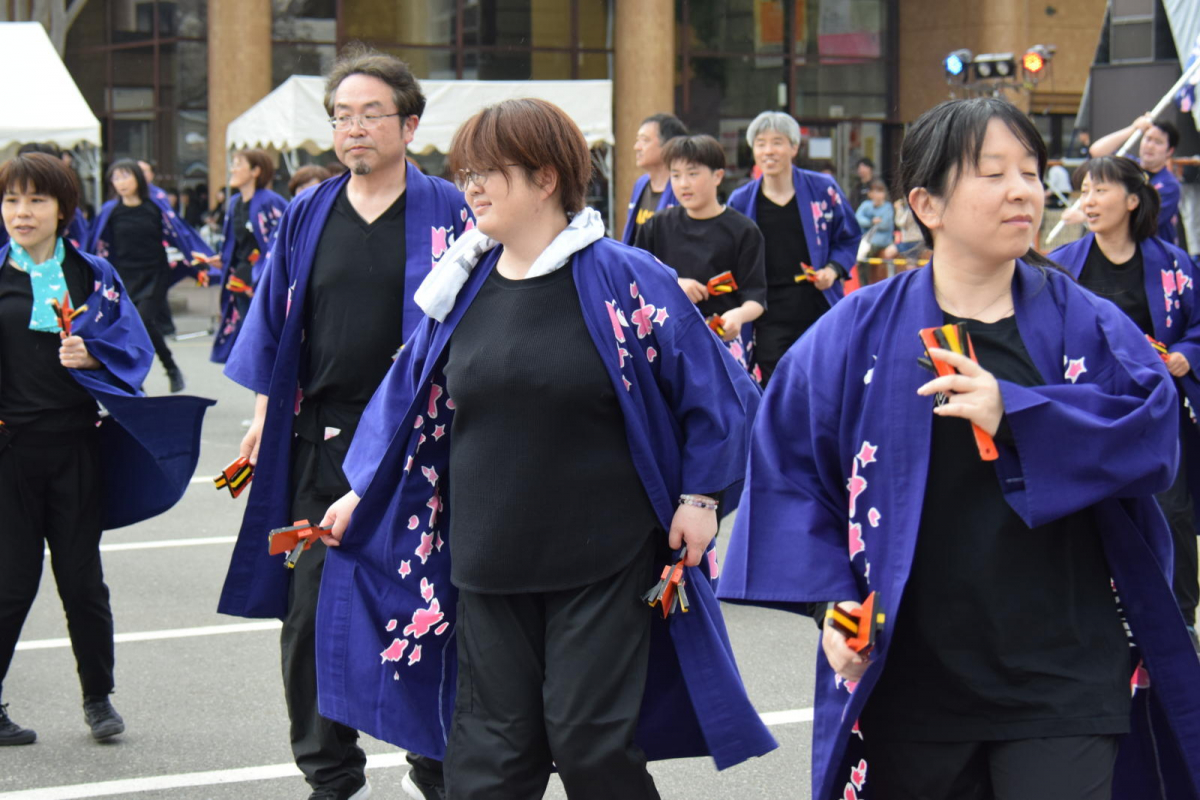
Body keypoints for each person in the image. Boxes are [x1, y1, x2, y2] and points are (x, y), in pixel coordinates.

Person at [719, 97, 1200, 799]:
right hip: (913, 678)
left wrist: (1021, 413)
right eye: (992, 172)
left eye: (1033, 172)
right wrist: (834, 609)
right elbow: (790, 468)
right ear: (928, 203)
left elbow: (1154, 434)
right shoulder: (857, 332)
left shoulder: (1085, 323)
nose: (1023, 191)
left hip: (1064, 673)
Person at [312, 96, 775, 800]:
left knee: (590, 743)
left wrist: (701, 496)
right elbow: (412, 403)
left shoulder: (625, 277)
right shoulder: (461, 285)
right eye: (466, 171)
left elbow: (716, 392)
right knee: (491, 757)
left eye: (489, 171)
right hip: (486, 559)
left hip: (603, 559)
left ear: (547, 178)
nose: (470, 186)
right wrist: (358, 492)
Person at [218, 45, 472, 800]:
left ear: (410, 124)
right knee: (310, 617)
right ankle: (329, 774)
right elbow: (275, 323)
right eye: (341, 117)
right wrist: (265, 416)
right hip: (321, 437)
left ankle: (435, 765)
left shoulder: (451, 212)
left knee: (428, 604)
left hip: (420, 446)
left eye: (370, 114)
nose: (353, 129)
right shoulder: (308, 210)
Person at [0, 153, 213, 747]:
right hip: (9, 453)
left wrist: (94, 356)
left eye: (36, 200)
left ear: (63, 210)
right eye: (12, 200)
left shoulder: (92, 275)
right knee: (10, 584)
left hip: (76, 448)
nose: (22, 212)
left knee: (82, 582)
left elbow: (133, 349)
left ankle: (98, 699)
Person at [1049, 155, 1200, 652]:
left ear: (1132, 200)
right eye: (1084, 191)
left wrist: (1185, 353)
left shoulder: (1173, 263)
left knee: (1171, 506)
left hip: (1155, 406)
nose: (1087, 202)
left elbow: (1198, 326)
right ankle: (1099, 610)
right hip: (1090, 406)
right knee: (1094, 507)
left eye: (1099, 191)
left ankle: (1178, 616)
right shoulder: (1064, 265)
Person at [727, 111, 860, 384]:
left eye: (777, 142)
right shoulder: (740, 201)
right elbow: (729, 254)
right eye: (761, 144)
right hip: (766, 311)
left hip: (816, 304)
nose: (769, 151)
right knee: (777, 383)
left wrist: (833, 270)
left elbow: (848, 237)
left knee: (824, 379)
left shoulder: (823, 189)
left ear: (794, 147)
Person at [634, 134, 767, 376]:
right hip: (667, 340)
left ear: (718, 175)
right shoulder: (656, 226)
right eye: (676, 175)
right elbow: (634, 281)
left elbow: (756, 297)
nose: (683, 183)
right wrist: (674, 283)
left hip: (723, 342)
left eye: (693, 174)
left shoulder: (744, 231)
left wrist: (737, 316)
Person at [87, 159, 189, 392]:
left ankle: (152, 374)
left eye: (126, 176)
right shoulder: (109, 211)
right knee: (135, 326)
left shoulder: (155, 207)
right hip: (124, 277)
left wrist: (196, 258)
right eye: (116, 178)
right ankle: (151, 375)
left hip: (155, 274)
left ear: (138, 178)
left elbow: (180, 234)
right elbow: (96, 243)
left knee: (141, 321)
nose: (121, 182)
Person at [209, 149, 288, 364]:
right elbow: (234, 244)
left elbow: (283, 242)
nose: (232, 169)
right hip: (240, 280)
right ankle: (262, 396)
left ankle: (271, 395)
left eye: (238, 164)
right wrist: (221, 259)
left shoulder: (270, 201)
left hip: (263, 281)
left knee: (264, 341)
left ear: (256, 171)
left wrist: (264, 274)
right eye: (232, 164)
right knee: (250, 342)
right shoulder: (234, 202)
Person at [134, 160, 213, 337]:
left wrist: (187, 251)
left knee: (155, 293)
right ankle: (160, 329)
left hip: (154, 255)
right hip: (131, 258)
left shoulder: (157, 196)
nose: (141, 174)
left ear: (151, 174)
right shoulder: (122, 199)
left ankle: (163, 329)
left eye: (145, 171)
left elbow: (173, 227)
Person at [1082, 114, 1181, 244]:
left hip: (1154, 251)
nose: (1150, 146)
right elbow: (1097, 151)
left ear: (1169, 151)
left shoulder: (1170, 185)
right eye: (1147, 139)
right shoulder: (1128, 167)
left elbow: (1144, 221)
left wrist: (1085, 216)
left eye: (1158, 142)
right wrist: (1134, 129)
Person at [620, 112, 687, 244]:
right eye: (637, 140)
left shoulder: (682, 187)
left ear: (668, 145)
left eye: (644, 140)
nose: (637, 147)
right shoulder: (641, 184)